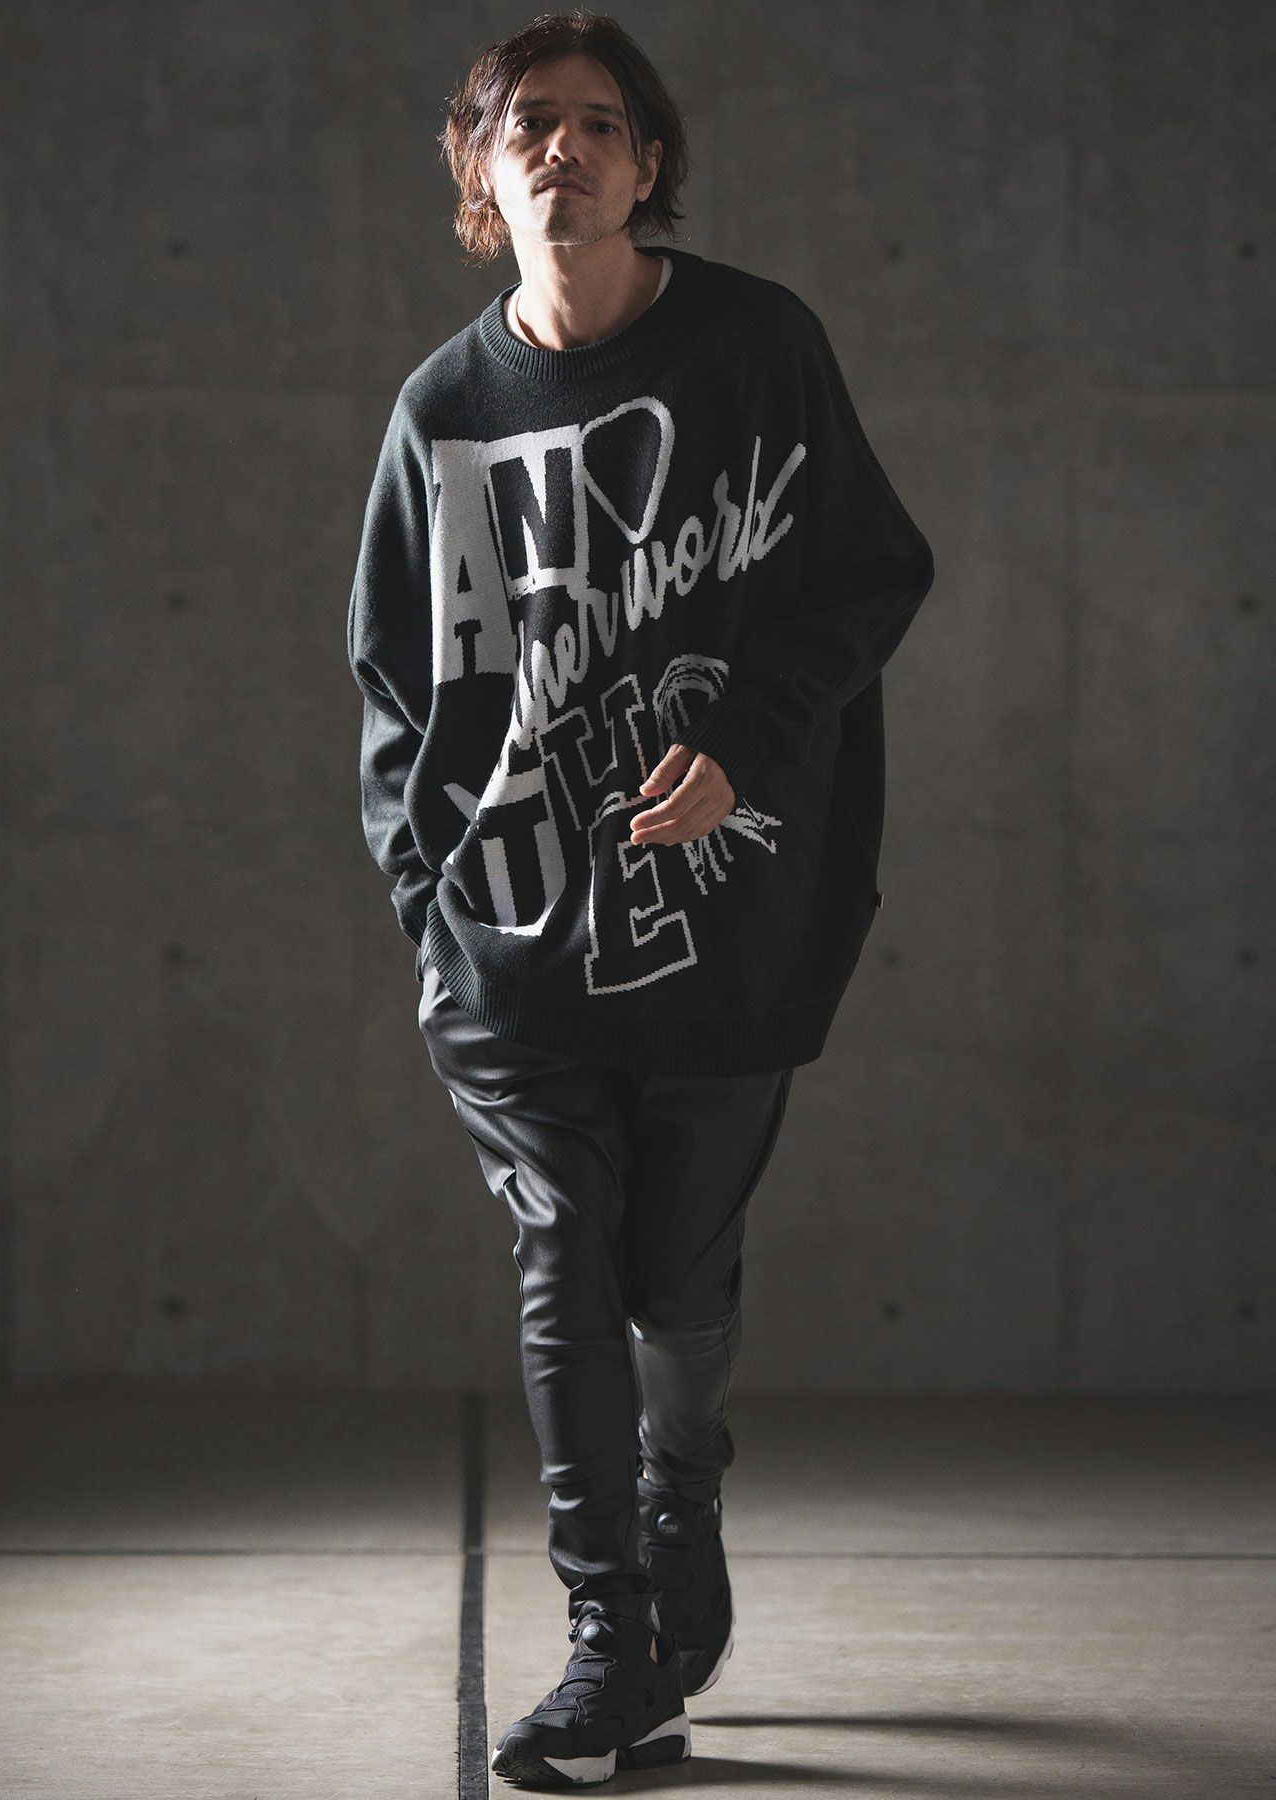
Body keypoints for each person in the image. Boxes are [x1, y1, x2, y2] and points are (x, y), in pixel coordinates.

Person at [347, 12, 935, 1787]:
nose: (566, 147)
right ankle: (611, 1642)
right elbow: (395, 692)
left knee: (676, 1283)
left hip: (724, 930)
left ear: (647, 164)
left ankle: (684, 1494)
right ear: (481, 165)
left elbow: (872, 573)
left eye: (601, 123)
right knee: (564, 1250)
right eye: (529, 121)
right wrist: (434, 908)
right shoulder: (444, 413)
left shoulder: (757, 348)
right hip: (510, 950)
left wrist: (746, 746)